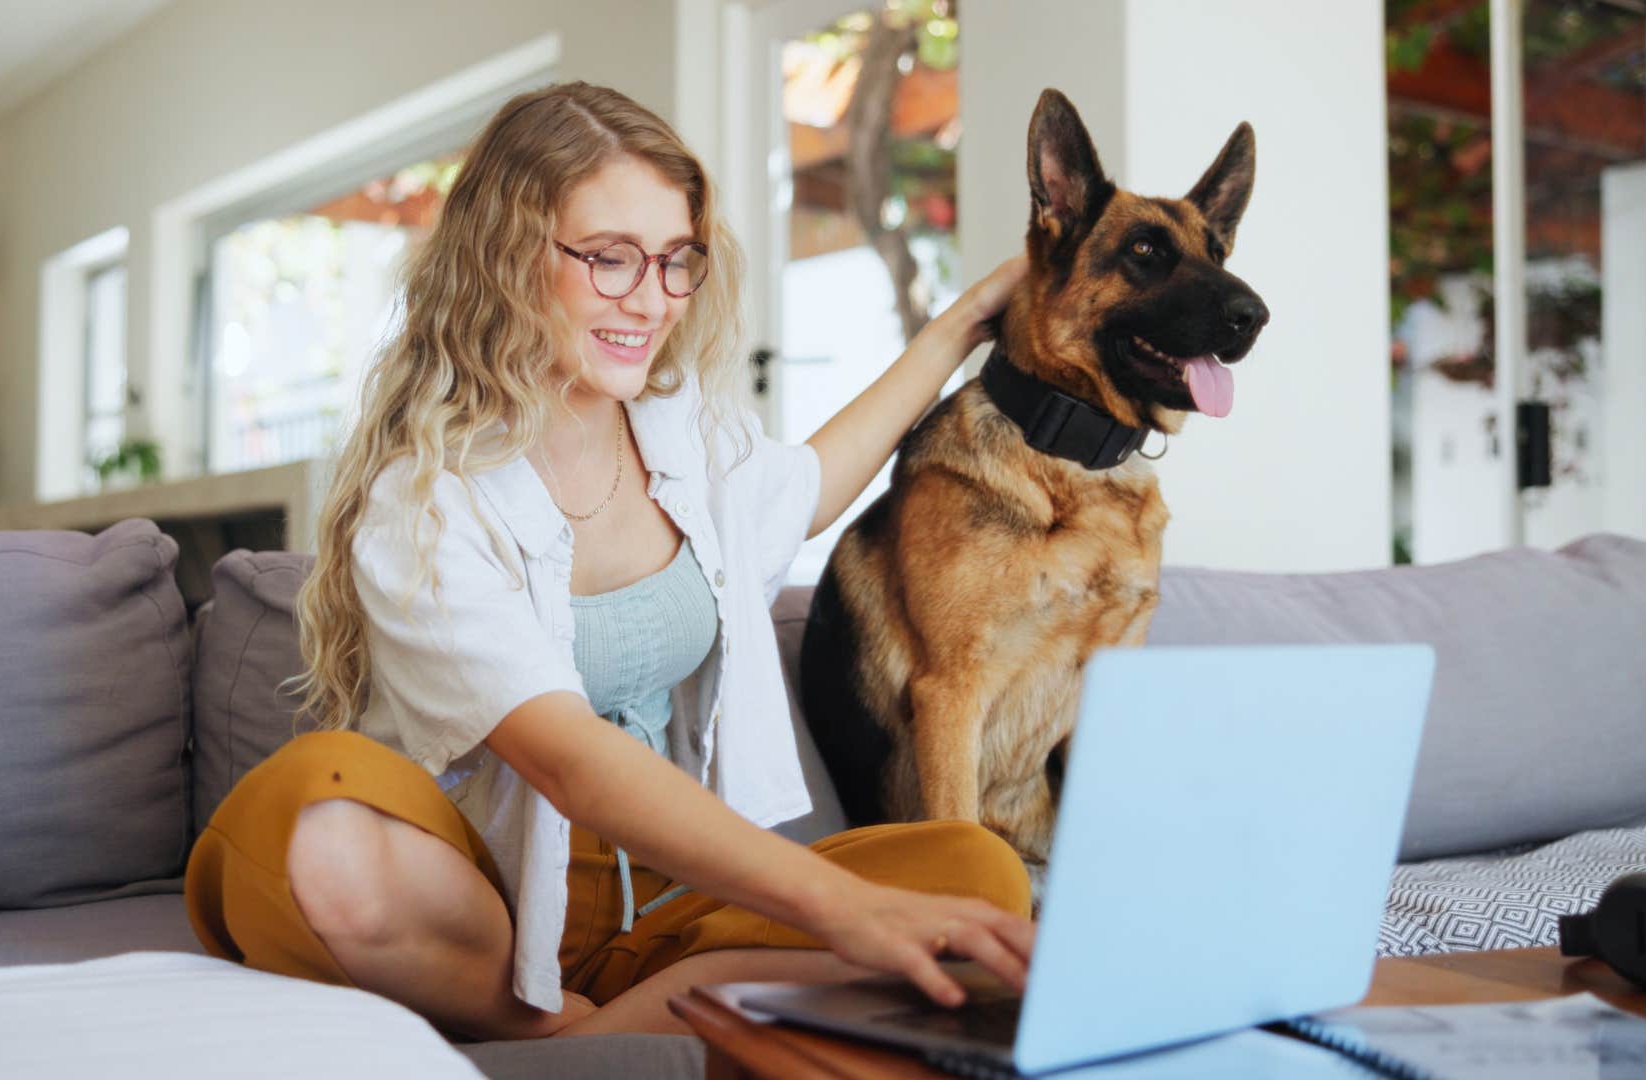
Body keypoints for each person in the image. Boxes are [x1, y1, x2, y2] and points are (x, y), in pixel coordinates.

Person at [184, 81, 1034, 1041]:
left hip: (666, 914)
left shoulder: (685, 435)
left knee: (979, 882)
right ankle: (547, 1029)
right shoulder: (423, 499)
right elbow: (570, 762)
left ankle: (612, 1028)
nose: (654, 300)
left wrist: (962, 324)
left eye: (676, 262)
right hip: (480, 907)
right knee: (318, 819)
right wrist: (837, 909)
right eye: (610, 259)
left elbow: (808, 485)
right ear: (506, 259)